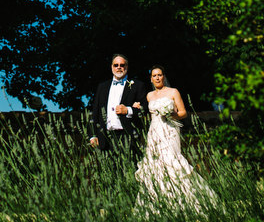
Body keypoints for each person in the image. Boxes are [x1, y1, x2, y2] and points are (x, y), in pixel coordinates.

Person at [134, 65, 217, 214]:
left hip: (170, 130)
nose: (157, 78)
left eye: (160, 75)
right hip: (154, 132)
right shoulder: (149, 96)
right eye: (154, 76)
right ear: (151, 79)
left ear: (164, 76)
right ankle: (157, 206)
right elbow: (145, 111)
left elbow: (183, 113)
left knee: (172, 160)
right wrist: (137, 107)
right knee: (155, 163)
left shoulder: (173, 92)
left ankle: (186, 203)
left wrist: (170, 115)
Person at [88, 53, 148, 153]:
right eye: (116, 65)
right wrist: (92, 135)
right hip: (105, 137)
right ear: (112, 67)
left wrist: (128, 110)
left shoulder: (137, 85)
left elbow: (145, 108)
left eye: (122, 65)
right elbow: (95, 111)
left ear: (126, 67)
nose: (119, 67)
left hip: (127, 136)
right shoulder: (102, 87)